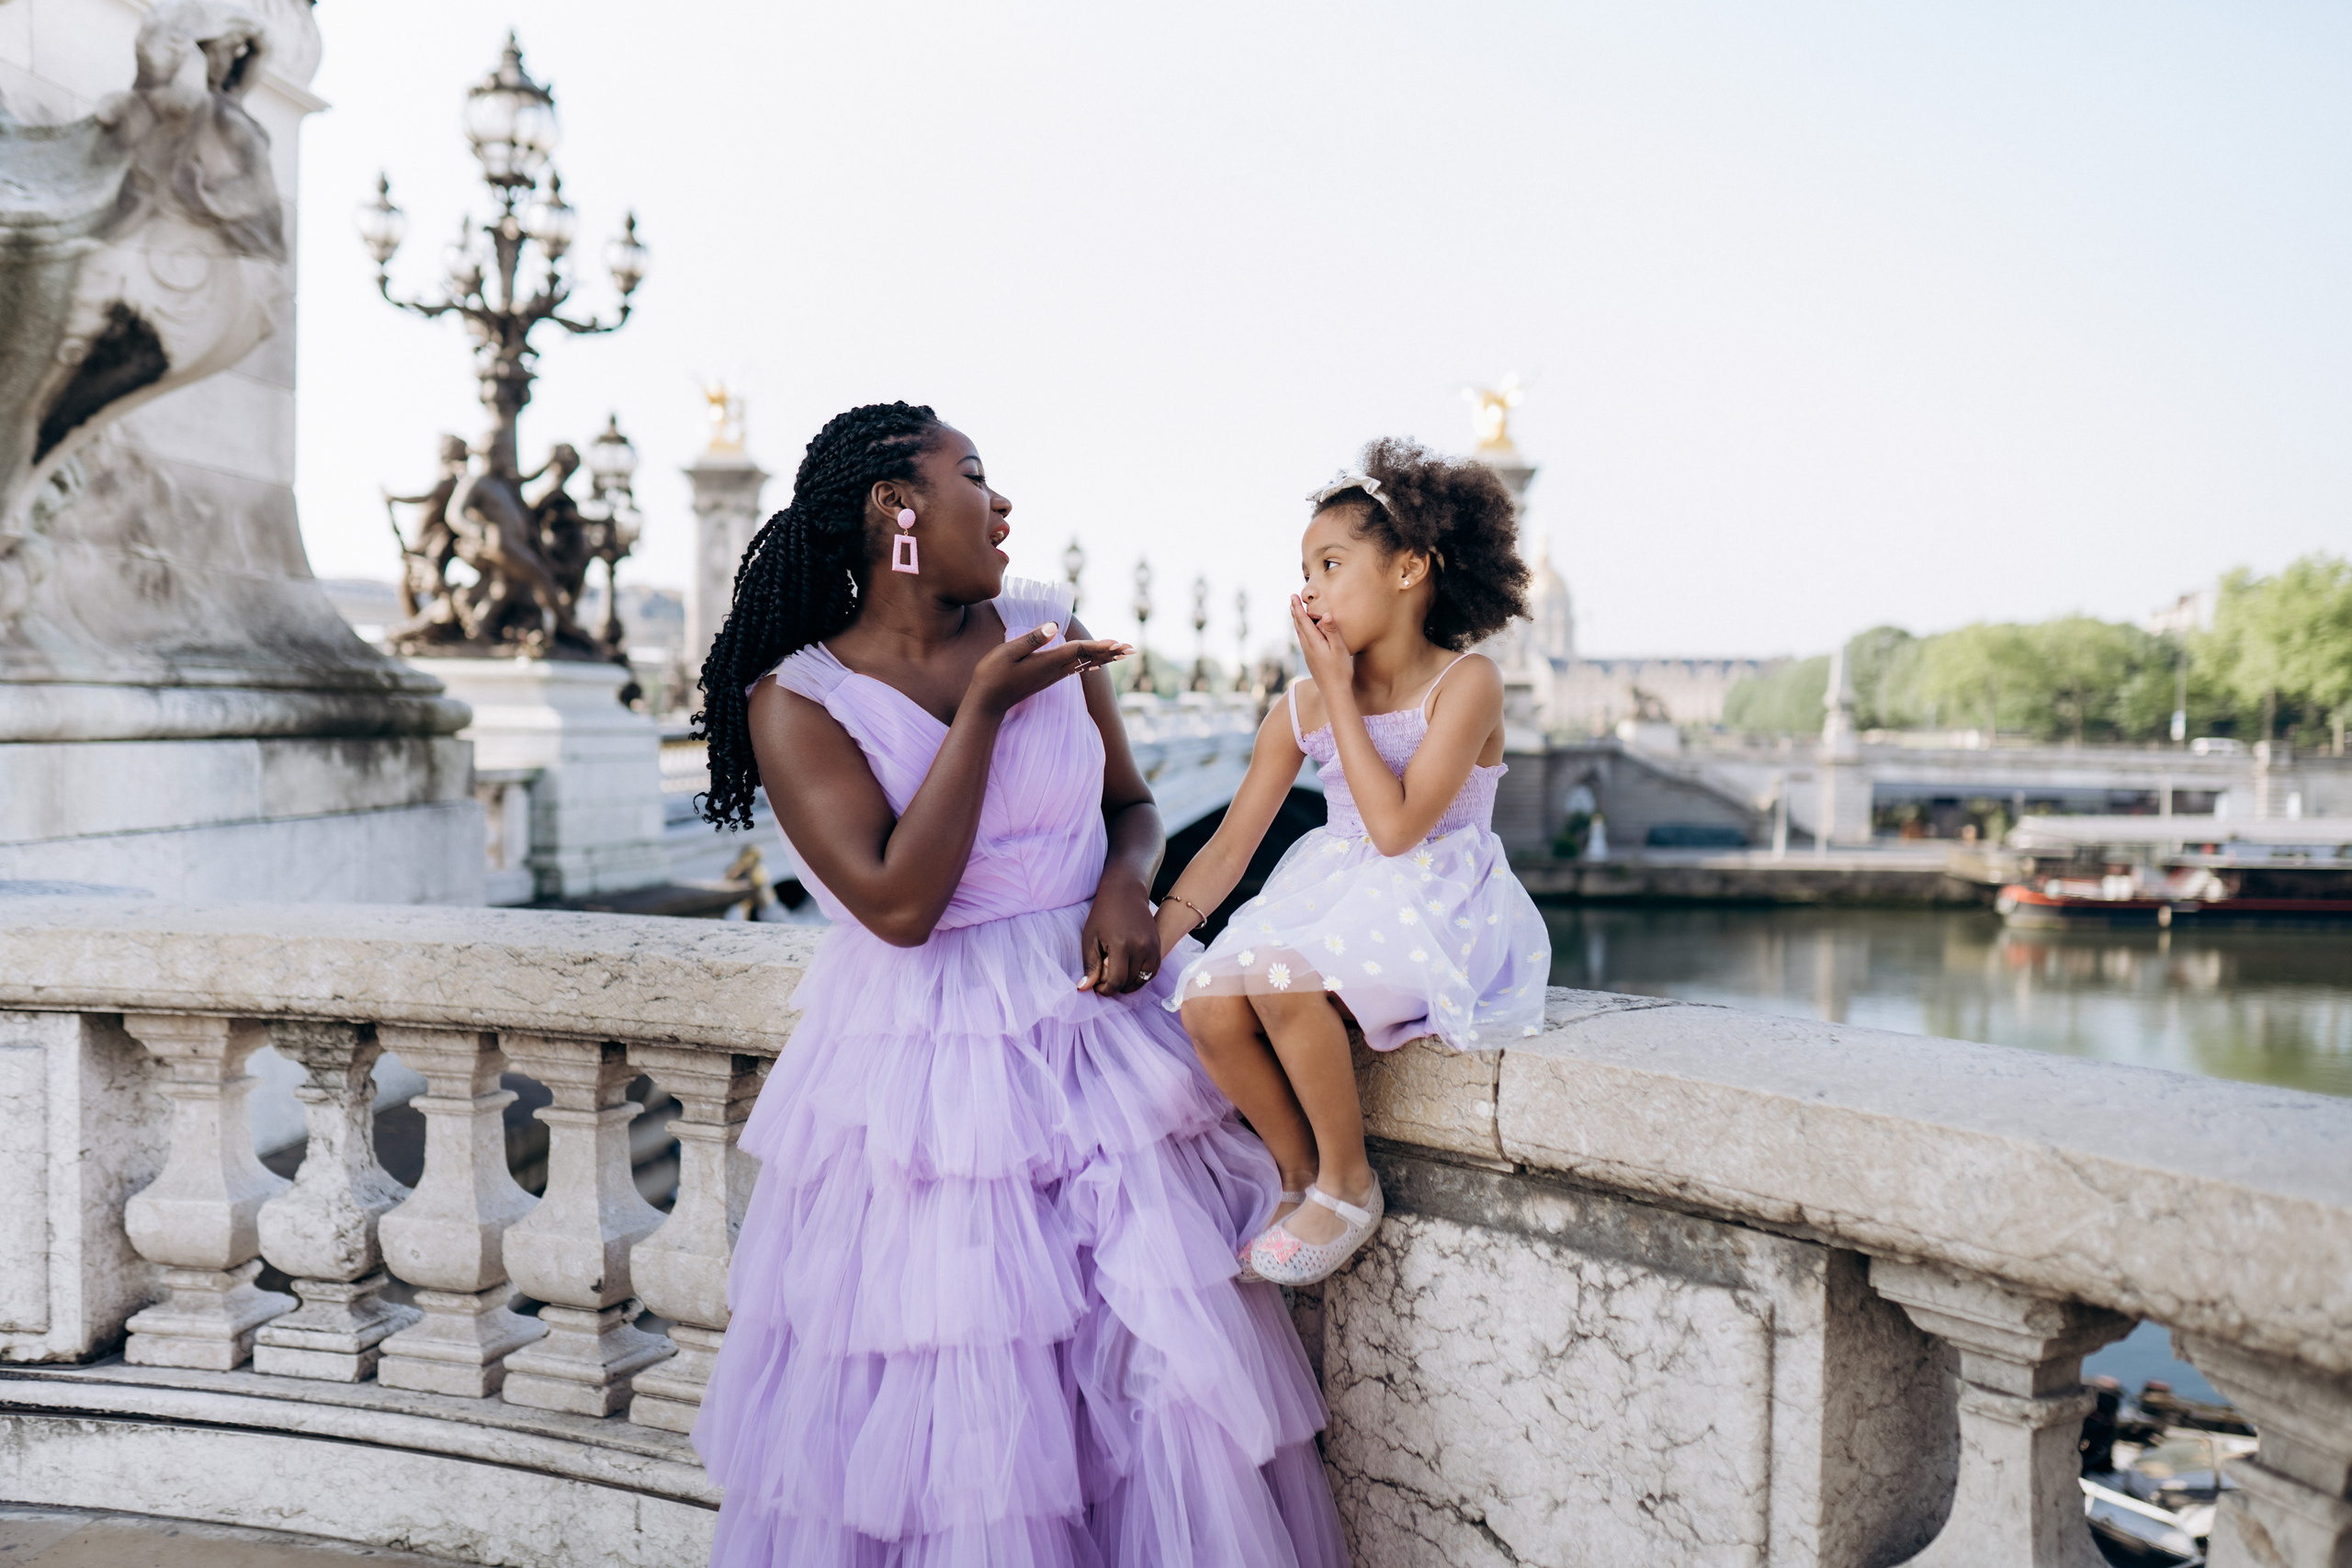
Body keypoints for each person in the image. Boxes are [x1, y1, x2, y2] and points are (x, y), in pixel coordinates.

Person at [689, 401, 1347, 1567]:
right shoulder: (798, 701)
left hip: (1101, 1034)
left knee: (1153, 1374)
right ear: (897, 507)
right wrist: (986, 708)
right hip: (930, 1065)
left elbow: (1132, 808)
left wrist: (1123, 890)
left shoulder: (1048, 624)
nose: (1001, 507)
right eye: (972, 479)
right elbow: (900, 907)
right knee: (970, 1384)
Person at [1155, 438, 1551, 1288]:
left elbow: (1401, 827)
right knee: (1209, 1001)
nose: (1310, 590)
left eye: (1331, 564)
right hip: (1338, 889)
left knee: (1280, 975)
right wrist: (1158, 936)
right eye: (1304, 569)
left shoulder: (1467, 683)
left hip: (1442, 897)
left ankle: (1349, 1180)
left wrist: (1338, 693)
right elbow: (1231, 844)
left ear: (1410, 568)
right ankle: (1299, 1178)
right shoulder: (1295, 707)